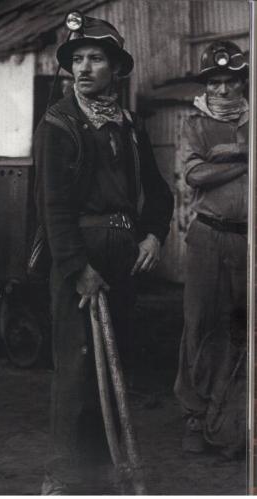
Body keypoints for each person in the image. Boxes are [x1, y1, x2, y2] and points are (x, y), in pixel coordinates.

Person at [34, 15, 174, 494]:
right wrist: (77, 268)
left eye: (95, 58)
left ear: (116, 68)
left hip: (123, 256)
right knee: (75, 373)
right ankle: (61, 479)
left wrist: (154, 236)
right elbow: (51, 206)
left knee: (114, 369)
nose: (85, 68)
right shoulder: (59, 123)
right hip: (80, 254)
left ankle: (98, 475)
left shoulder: (129, 125)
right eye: (78, 60)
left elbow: (158, 193)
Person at [174, 41, 248, 458]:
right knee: (201, 323)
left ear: (242, 82)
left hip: (246, 238)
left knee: (240, 328)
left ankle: (226, 422)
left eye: (230, 80)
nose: (222, 90)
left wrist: (237, 148)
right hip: (207, 236)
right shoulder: (194, 125)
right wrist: (245, 160)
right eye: (214, 82)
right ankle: (194, 416)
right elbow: (196, 175)